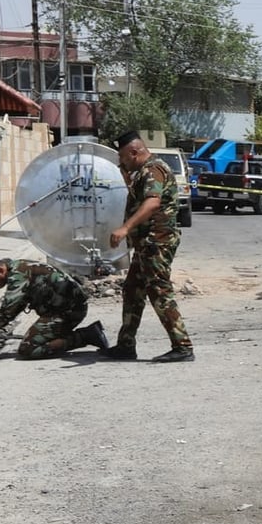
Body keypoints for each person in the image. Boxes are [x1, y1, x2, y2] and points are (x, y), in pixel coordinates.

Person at [104, 131, 194, 363]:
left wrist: (125, 228)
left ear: (134, 152)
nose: (121, 161)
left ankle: (182, 345)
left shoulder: (154, 170)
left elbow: (152, 203)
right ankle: (126, 345)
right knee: (132, 291)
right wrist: (125, 172)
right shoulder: (142, 172)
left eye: (123, 157)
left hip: (157, 241)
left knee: (159, 291)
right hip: (147, 243)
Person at [0, 253, 107, 359]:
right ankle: (65, 336)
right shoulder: (18, 267)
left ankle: (86, 336)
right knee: (36, 338)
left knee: (28, 349)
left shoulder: (19, 275)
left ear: (0, 270)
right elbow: (13, 308)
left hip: (68, 312)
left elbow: (8, 311)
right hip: (62, 309)